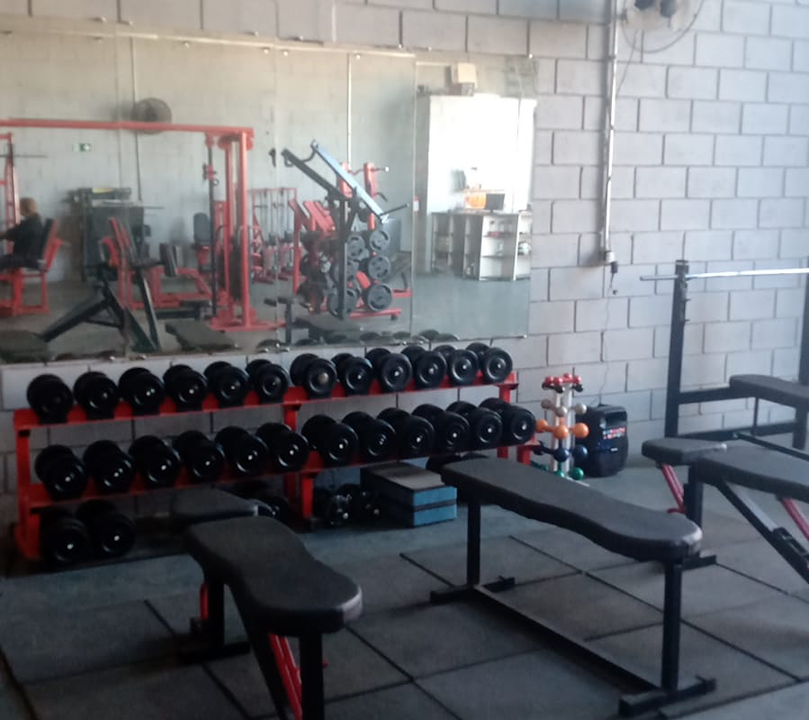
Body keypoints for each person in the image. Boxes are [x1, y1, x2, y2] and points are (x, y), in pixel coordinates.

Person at [0, 197, 45, 270]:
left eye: (20, 207)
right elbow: (13, 233)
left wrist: (3, 235)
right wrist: (5, 235)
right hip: (27, 256)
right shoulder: (34, 221)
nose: (18, 209)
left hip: (26, 258)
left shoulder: (30, 223)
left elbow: (13, 234)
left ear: (26, 208)